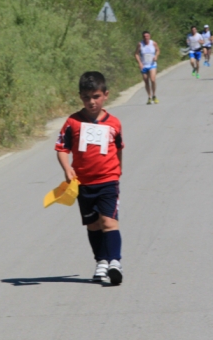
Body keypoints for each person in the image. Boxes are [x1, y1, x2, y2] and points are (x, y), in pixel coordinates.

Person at [55, 72, 125, 284]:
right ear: (80, 97)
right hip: (83, 183)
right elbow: (61, 148)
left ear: (105, 95)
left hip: (108, 180)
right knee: (93, 225)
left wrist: (118, 170)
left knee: (109, 221)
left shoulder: (114, 123)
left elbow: (118, 148)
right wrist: (67, 169)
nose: (91, 101)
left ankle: (115, 262)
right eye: (86, 97)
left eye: (95, 96)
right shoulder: (73, 122)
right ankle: (101, 261)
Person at [134, 31, 160, 105]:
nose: (146, 38)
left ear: (150, 36)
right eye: (144, 36)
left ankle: (154, 95)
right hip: (144, 65)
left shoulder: (153, 43)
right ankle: (149, 97)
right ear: (143, 37)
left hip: (152, 64)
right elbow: (136, 54)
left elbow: (158, 50)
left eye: (147, 36)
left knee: (152, 80)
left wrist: (156, 56)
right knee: (146, 81)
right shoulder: (140, 44)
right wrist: (140, 63)